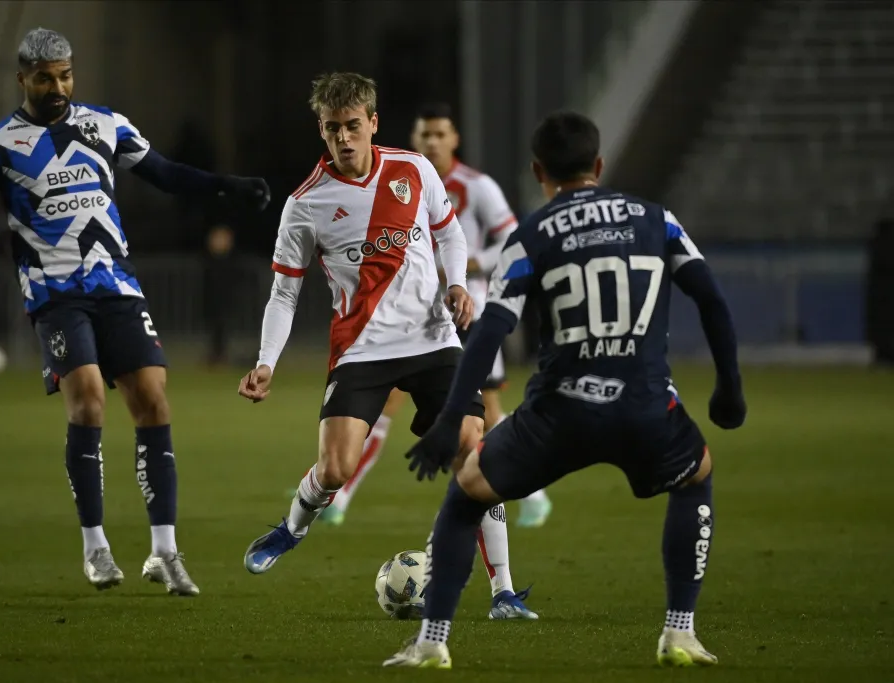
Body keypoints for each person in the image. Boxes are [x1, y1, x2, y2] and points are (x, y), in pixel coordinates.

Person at [384, 111, 747, 668]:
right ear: (598, 165)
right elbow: (714, 302)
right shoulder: (657, 220)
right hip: (645, 406)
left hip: (560, 414)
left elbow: (490, 331)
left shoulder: (533, 233)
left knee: (467, 491)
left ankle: (432, 642)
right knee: (696, 476)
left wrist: (452, 415)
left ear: (538, 171)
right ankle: (679, 632)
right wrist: (730, 389)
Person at [0, 27, 270, 595]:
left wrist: (227, 187)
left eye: (65, 75)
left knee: (153, 398)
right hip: (54, 293)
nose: (57, 86)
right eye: (44, 78)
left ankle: (164, 552)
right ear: (22, 79)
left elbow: (165, 173)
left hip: (118, 287)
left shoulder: (105, 124)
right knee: (88, 398)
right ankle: (96, 547)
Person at [238, 72, 537, 620]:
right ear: (321, 131)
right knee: (335, 469)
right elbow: (284, 292)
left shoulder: (413, 169)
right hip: (361, 349)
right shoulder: (305, 204)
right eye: (333, 130)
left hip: (432, 341)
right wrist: (265, 363)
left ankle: (503, 593)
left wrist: (453, 283)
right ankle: (291, 528)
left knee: (476, 452)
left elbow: (449, 232)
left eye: (354, 126)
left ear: (373, 123)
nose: (344, 139)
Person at [324, 102, 553, 532]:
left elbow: (511, 238)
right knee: (388, 402)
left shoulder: (477, 186)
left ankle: (531, 494)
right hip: (413, 316)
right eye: (424, 135)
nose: (431, 142)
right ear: (414, 138)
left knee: (486, 413)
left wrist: (468, 268)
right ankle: (341, 495)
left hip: (469, 312)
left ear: (454, 140)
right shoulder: (399, 177)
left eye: (439, 135)